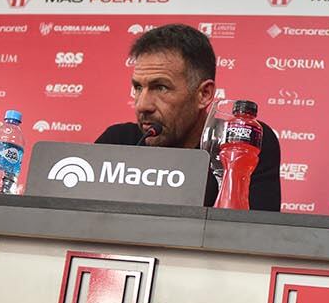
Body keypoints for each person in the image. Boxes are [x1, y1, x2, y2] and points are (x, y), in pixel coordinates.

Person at [95, 23, 282, 211]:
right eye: (137, 88)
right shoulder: (117, 143)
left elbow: (253, 234)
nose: (143, 105)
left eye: (161, 87)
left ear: (204, 94)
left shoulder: (241, 141)